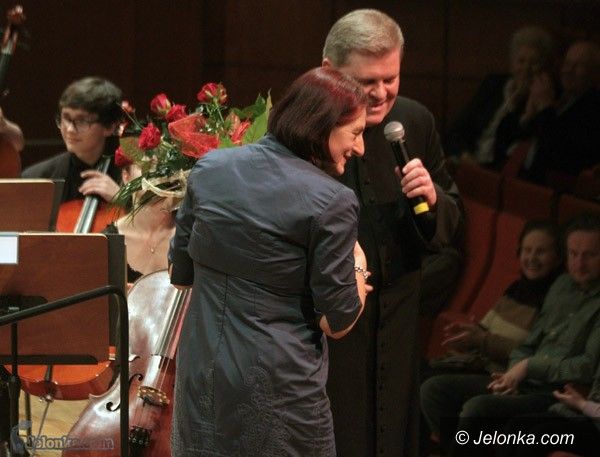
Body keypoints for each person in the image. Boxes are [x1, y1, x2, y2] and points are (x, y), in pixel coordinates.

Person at [168, 67, 371, 456]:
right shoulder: (333, 201)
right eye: (356, 133)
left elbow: (180, 276)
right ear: (322, 126)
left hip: (203, 383)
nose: (360, 148)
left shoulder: (210, 168)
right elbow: (338, 322)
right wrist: (358, 266)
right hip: (277, 393)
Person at [321, 9, 464, 457]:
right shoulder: (305, 128)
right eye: (367, 81)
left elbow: (451, 218)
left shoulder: (414, 122)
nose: (381, 93)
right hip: (333, 326)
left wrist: (432, 199)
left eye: (391, 78)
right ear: (329, 70)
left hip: (399, 315)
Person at [421, 212, 600, 457]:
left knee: (478, 409)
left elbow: (587, 366)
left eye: (590, 255)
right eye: (574, 254)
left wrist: (528, 367)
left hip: (557, 392)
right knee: (433, 390)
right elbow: (530, 343)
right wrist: (512, 375)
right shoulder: (562, 286)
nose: (579, 264)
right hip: (524, 380)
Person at [444, 26, 556, 168]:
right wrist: (465, 156)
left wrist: (519, 102)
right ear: (512, 64)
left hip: (494, 170)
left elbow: (512, 146)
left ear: (544, 68)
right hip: (467, 161)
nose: (526, 68)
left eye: (534, 63)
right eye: (521, 61)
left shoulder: (539, 101)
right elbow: (458, 129)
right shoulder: (494, 84)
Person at [21, 76, 123, 203]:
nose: (70, 129)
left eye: (82, 121)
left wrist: (122, 199)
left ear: (109, 126)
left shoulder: (134, 176)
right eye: (66, 118)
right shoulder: (36, 179)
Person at [521, 40, 600, 184]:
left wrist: (545, 107)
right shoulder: (557, 93)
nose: (568, 70)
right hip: (524, 176)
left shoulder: (594, 109)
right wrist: (528, 113)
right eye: (567, 63)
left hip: (553, 187)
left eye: (579, 65)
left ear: (595, 73)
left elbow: (560, 156)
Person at [103, 162, 176, 284]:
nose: (155, 173)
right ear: (126, 176)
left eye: (162, 164)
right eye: (145, 165)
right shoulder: (105, 242)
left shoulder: (194, 234)